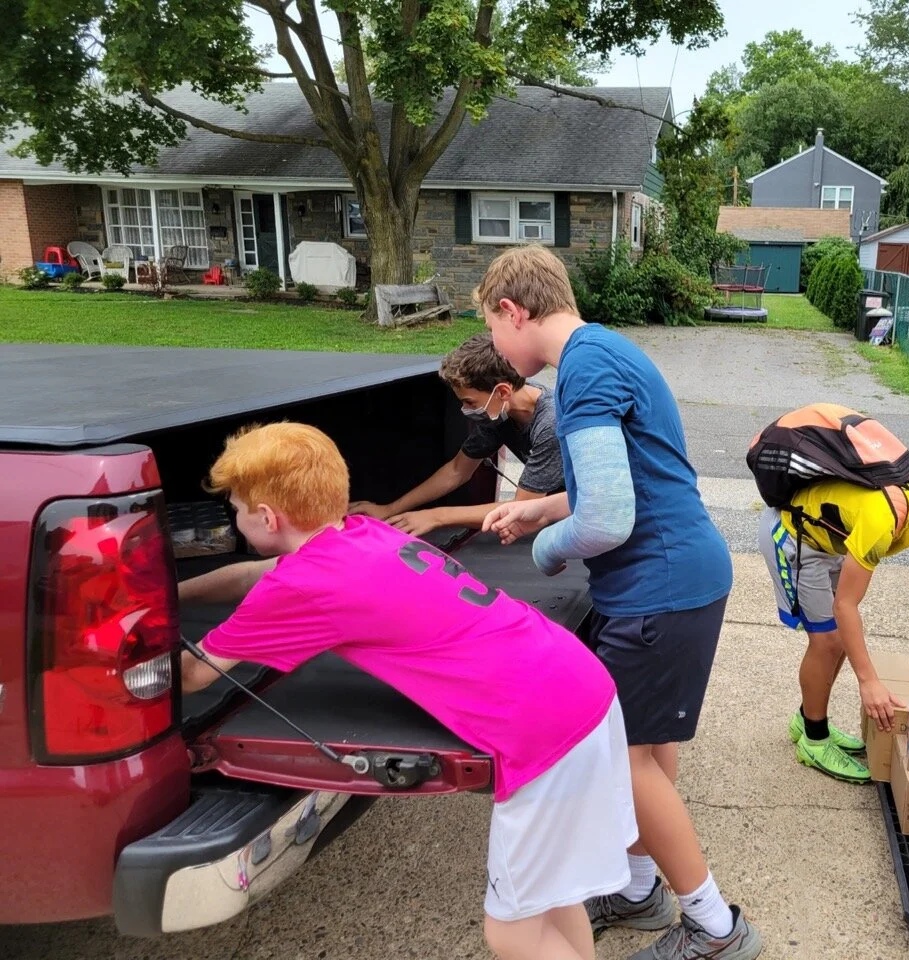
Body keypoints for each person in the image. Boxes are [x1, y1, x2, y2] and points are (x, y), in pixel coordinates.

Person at [179, 422, 635, 960]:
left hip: (542, 728)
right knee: (555, 902)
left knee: (511, 932)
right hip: (580, 685)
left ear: (266, 518)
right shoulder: (359, 536)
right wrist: (173, 595)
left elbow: (191, 676)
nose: (235, 519)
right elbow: (254, 575)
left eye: (235, 509)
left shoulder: (302, 586)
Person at [477, 245, 762, 960]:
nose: (496, 349)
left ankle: (715, 929)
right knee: (646, 750)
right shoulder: (599, 354)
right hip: (678, 576)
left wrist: (546, 552)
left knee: (624, 760)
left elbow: (607, 521)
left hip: (659, 586)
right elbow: (621, 483)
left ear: (514, 310)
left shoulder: (585, 369)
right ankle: (638, 890)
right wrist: (537, 512)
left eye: (492, 330)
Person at [754, 407, 909, 783]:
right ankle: (813, 739)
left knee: (841, 641)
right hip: (794, 538)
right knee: (828, 641)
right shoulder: (884, 520)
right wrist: (869, 682)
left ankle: (809, 716)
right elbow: (846, 605)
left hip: (830, 543)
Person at [349, 332, 563, 536]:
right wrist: (389, 509)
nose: (466, 411)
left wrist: (437, 517)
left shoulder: (550, 425)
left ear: (503, 392)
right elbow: (457, 470)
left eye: (470, 402)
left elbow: (523, 508)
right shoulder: (501, 412)